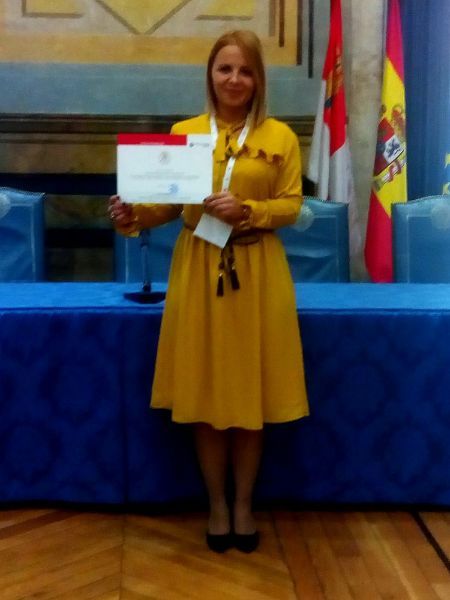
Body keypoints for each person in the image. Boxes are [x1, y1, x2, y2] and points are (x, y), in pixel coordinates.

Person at [109, 30, 309, 554]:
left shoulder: (281, 137)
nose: (234, 80)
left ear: (258, 79)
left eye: (245, 70)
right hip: (199, 267)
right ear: (211, 75)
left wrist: (249, 210)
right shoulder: (185, 132)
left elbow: (293, 206)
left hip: (258, 268)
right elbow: (166, 204)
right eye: (225, 69)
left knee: (250, 391)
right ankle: (217, 505)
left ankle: (244, 504)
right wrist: (132, 215)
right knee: (207, 391)